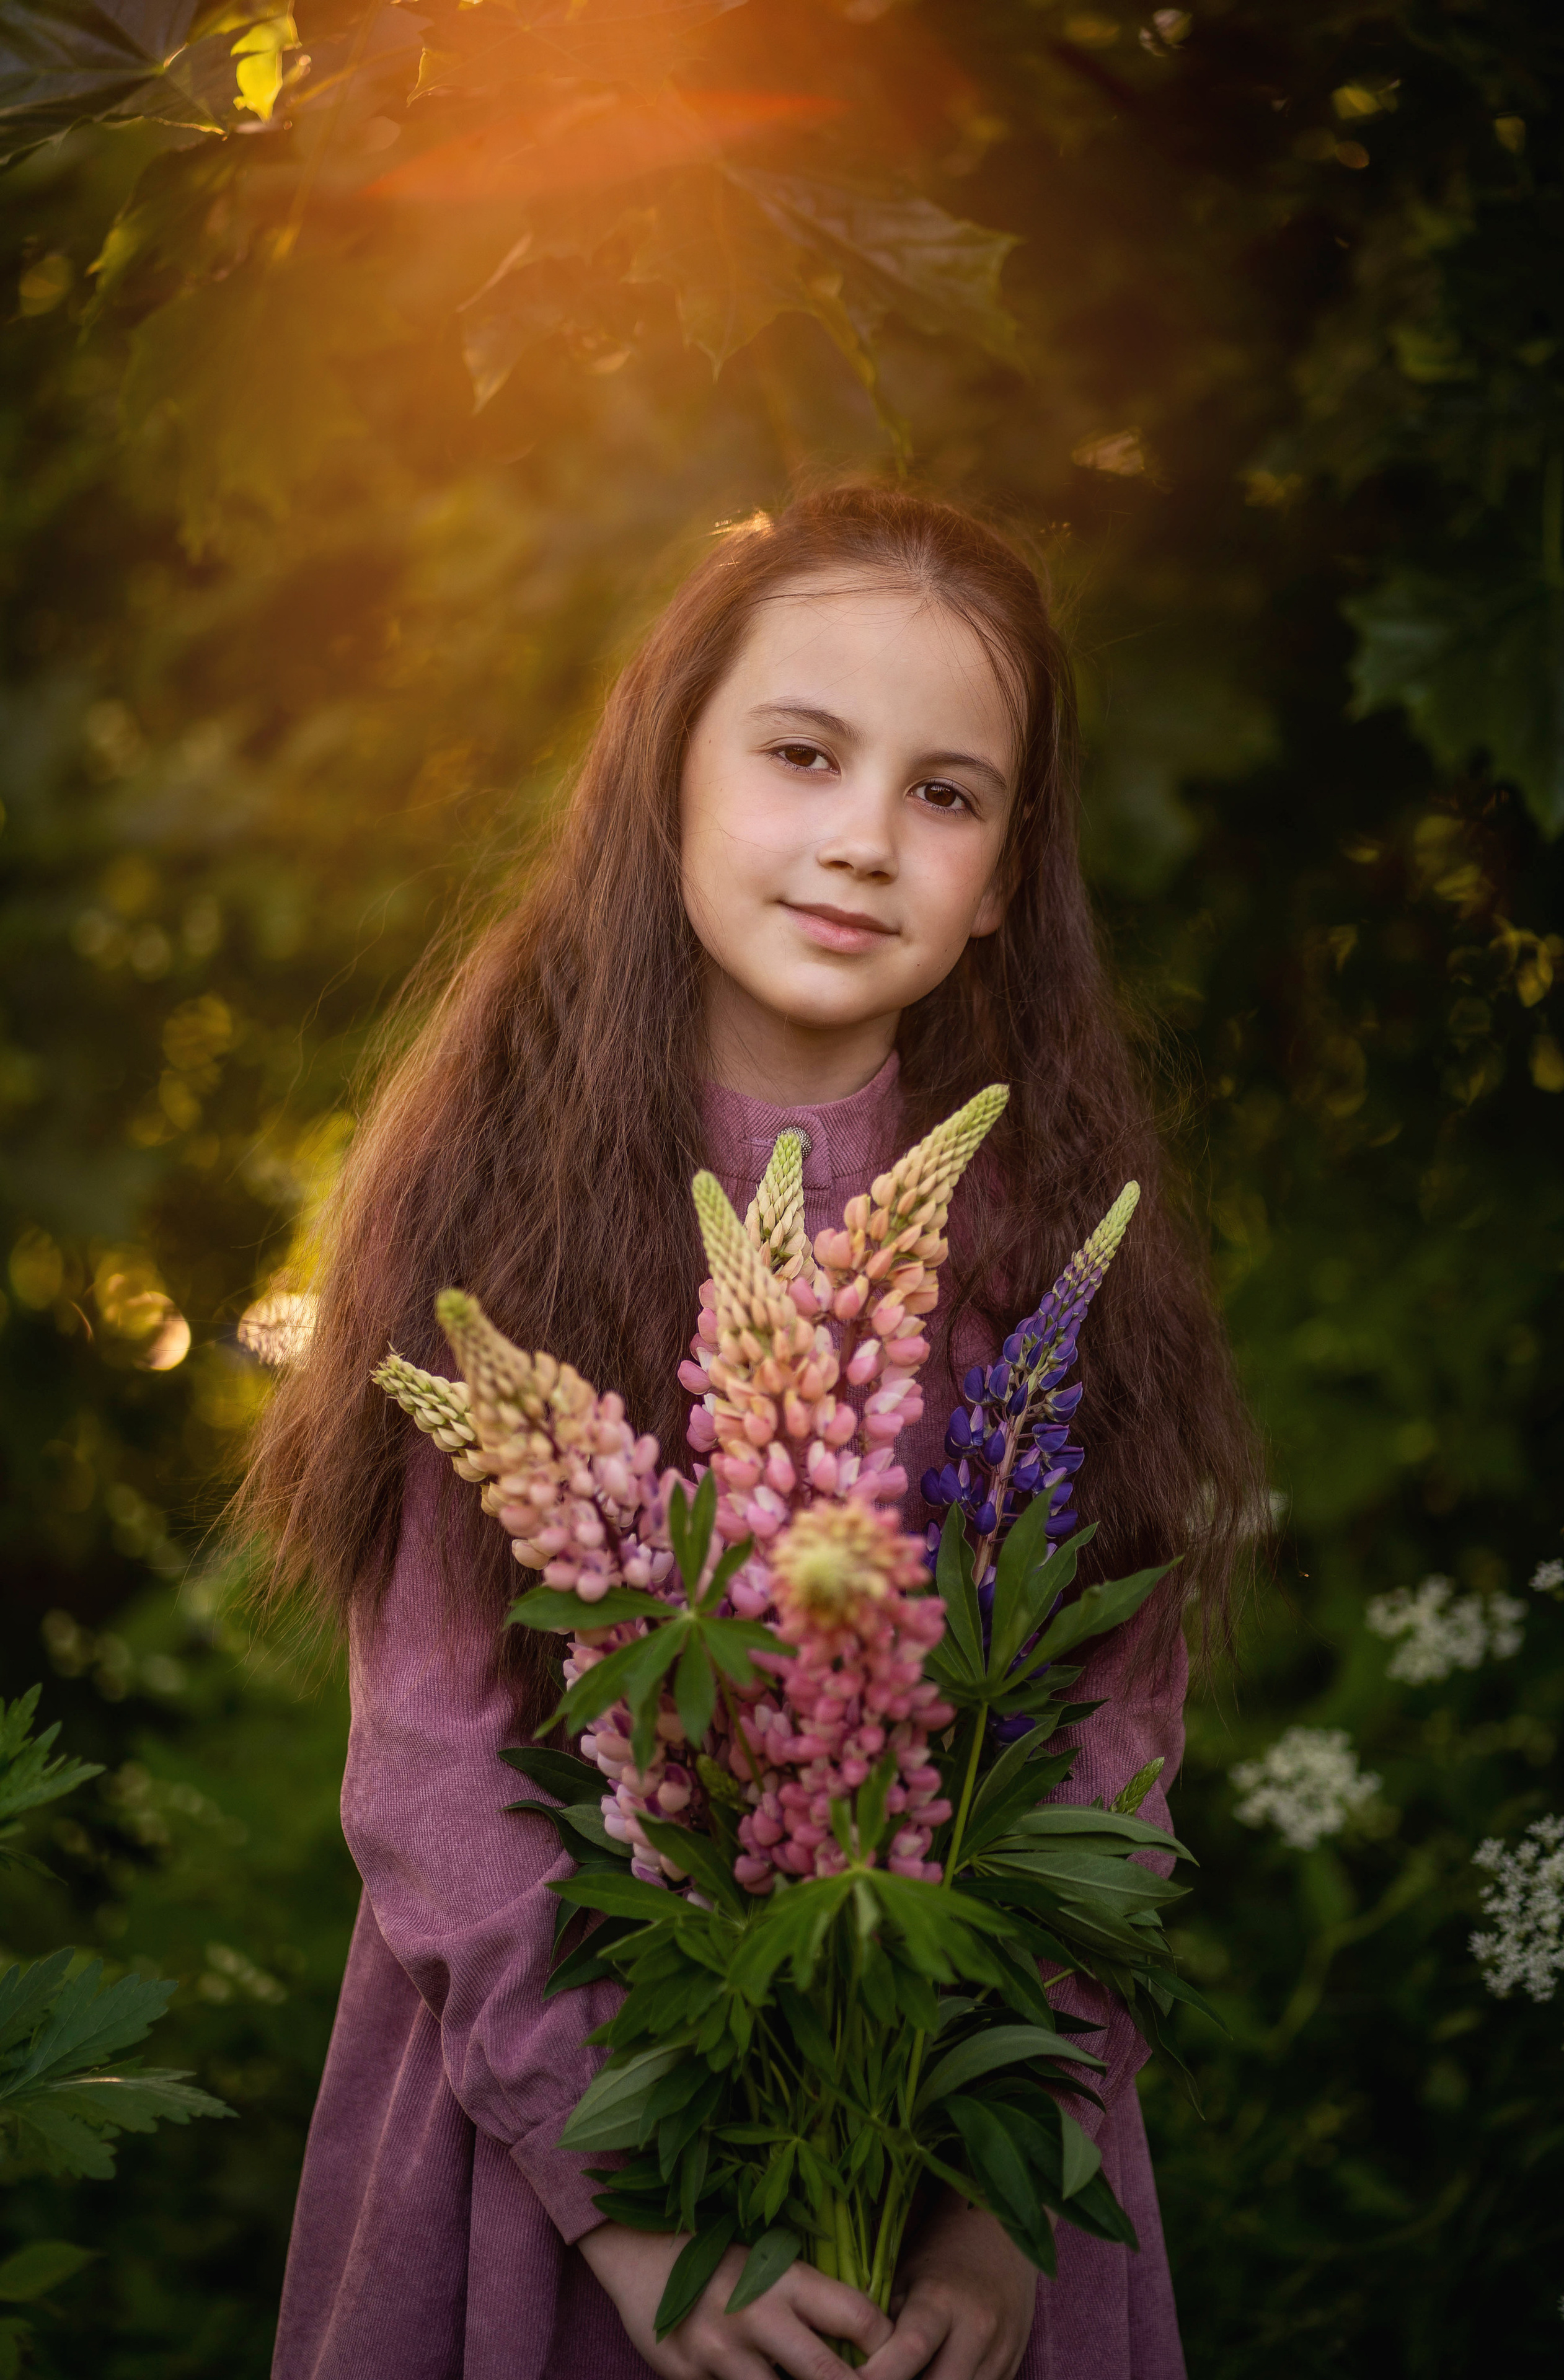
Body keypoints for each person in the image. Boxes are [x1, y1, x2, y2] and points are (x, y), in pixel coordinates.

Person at [247, 484, 1262, 2380]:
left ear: (1006, 868)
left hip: (960, 2145)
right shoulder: (497, 1205)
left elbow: (1108, 1759)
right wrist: (633, 2215)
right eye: (802, 755)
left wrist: (997, 2216)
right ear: (669, 772)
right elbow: (431, 1768)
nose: (864, 840)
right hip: (566, 2167)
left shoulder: (1057, 1242)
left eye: (946, 795)